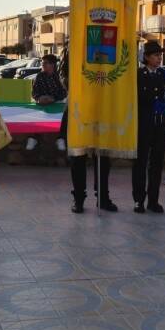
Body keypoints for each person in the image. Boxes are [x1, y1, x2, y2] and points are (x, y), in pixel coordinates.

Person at [61, 44, 116, 214]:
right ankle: (78, 199)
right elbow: (65, 78)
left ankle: (103, 198)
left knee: (103, 158)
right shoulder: (74, 49)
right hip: (79, 110)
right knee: (78, 158)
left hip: (102, 109)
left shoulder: (101, 49)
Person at [132, 41, 165, 214]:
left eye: (160, 55)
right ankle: (139, 200)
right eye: (155, 55)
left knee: (156, 164)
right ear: (146, 57)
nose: (159, 58)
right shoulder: (139, 75)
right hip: (144, 124)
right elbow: (138, 98)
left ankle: (153, 200)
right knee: (140, 163)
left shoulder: (164, 75)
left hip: (159, 124)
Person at [26, 53, 67, 152]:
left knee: (65, 114)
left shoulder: (59, 77)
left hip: (57, 103)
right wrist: (39, 98)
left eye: (45, 63)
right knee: (35, 113)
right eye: (42, 63)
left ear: (52, 65)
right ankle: (34, 138)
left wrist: (53, 98)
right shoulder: (39, 76)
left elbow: (64, 92)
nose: (43, 65)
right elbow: (34, 92)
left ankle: (60, 139)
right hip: (42, 104)